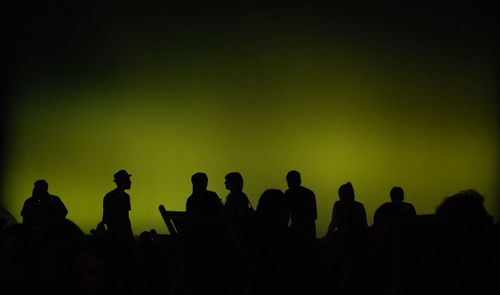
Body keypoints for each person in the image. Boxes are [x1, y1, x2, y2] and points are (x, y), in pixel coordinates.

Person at [284, 170, 317, 241]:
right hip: (309, 230)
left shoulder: (288, 194)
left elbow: (286, 215)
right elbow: (314, 215)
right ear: (300, 180)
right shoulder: (309, 193)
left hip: (296, 229)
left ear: (288, 182)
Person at [102, 169, 134, 241]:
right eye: (128, 179)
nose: (130, 182)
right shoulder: (125, 197)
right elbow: (125, 219)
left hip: (111, 233)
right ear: (123, 181)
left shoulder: (108, 196)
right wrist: (130, 237)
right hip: (121, 234)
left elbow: (105, 218)